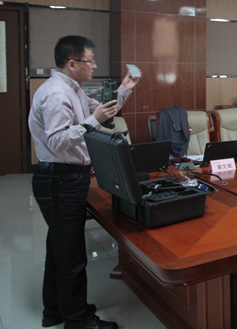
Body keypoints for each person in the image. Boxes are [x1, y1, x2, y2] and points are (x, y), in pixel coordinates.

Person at [29, 35, 140, 329]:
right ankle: (79, 321)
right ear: (72, 63)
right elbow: (57, 141)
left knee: (58, 250)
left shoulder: (73, 89)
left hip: (65, 178)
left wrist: (124, 90)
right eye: (90, 61)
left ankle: (55, 310)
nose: (94, 66)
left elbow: (103, 109)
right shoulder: (56, 94)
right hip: (59, 180)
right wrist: (93, 121)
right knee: (71, 255)